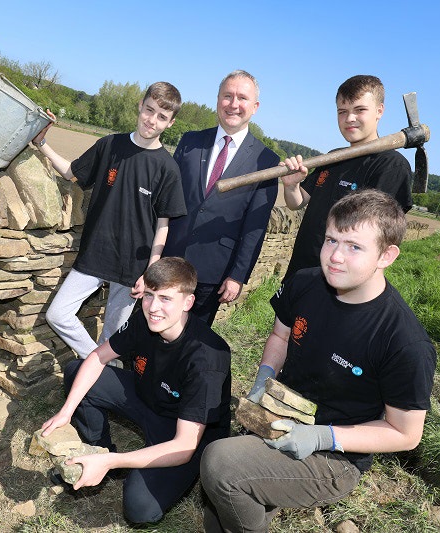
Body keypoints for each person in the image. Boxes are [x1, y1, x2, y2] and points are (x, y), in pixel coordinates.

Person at [200, 189, 437, 533]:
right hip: (284, 414)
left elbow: (405, 434)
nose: (335, 257)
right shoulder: (305, 282)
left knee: (220, 464)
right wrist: (263, 378)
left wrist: (320, 437)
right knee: (217, 504)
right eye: (331, 240)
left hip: (336, 455)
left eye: (354, 246)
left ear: (387, 255)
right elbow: (280, 337)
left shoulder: (403, 341)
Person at [40, 257, 231, 525]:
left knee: (140, 509)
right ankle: (99, 451)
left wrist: (117, 462)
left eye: (165, 298)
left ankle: (111, 463)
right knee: (76, 371)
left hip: (184, 431)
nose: (153, 307)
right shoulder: (145, 319)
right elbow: (97, 357)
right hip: (147, 397)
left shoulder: (207, 358)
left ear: (188, 302)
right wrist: (66, 411)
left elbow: (185, 445)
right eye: (149, 295)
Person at [31, 82, 187, 360]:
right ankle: (98, 363)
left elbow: (163, 227)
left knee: (113, 334)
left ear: (171, 122)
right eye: (149, 110)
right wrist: (42, 143)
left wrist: (151, 272)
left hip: (132, 267)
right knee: (58, 314)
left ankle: (101, 381)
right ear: (140, 105)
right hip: (95, 254)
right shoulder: (110, 145)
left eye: (161, 116)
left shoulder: (168, 168)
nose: (152, 120)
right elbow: (71, 172)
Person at [163, 70, 280, 325]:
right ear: (218, 99)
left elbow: (255, 227)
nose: (234, 104)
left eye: (242, 98)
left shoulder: (267, 161)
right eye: (227, 96)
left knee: (192, 343)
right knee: (152, 331)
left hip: (213, 273)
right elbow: (166, 197)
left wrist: (237, 275)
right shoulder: (190, 141)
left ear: (255, 106)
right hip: (170, 259)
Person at [281, 74, 413, 279]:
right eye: (342, 111)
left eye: (360, 110)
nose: (349, 118)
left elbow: (378, 239)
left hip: (341, 283)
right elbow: (297, 203)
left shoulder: (391, 166)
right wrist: (291, 186)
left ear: (379, 111)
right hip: (299, 274)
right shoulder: (333, 157)